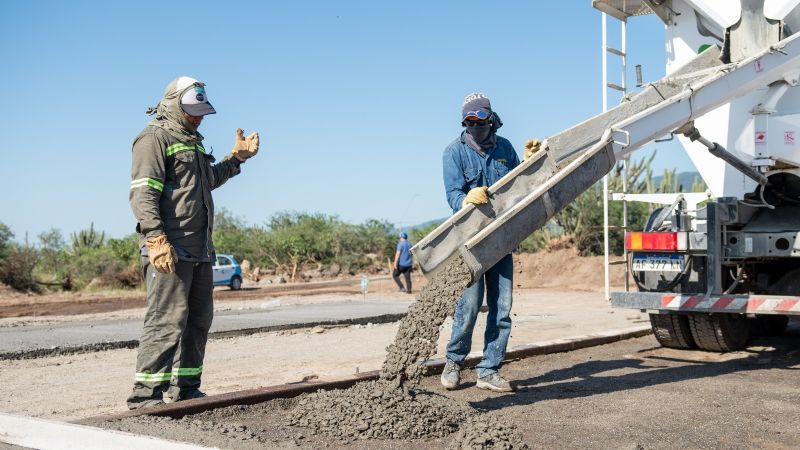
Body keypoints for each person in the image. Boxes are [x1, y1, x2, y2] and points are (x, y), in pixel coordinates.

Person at [126, 76, 260, 409]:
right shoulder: (153, 139)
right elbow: (143, 193)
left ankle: (185, 389)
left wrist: (236, 160)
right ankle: (145, 396)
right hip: (170, 248)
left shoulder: (194, 142)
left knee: (198, 321)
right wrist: (155, 238)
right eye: (192, 111)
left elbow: (207, 181)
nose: (198, 117)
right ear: (172, 105)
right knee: (166, 319)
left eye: (201, 112)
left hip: (199, 249)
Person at [439, 92, 524, 393]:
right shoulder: (454, 153)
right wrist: (465, 200)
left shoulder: (505, 148)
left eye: (479, 120)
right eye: (469, 121)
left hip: (501, 239)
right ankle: (454, 362)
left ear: (490, 118)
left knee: (501, 307)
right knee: (470, 305)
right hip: (471, 243)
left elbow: (522, 184)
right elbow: (452, 195)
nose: (474, 126)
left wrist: (534, 159)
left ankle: (489, 370)